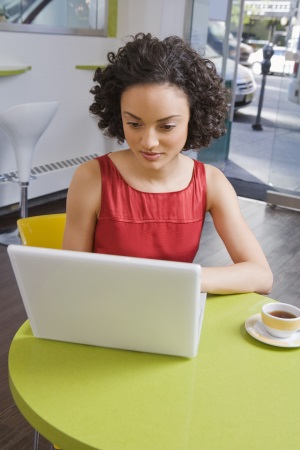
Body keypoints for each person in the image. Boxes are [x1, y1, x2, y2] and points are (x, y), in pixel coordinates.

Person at [63, 32, 273, 295]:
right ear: (119, 117)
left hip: (174, 314)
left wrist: (173, 281)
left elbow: (261, 275)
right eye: (134, 124)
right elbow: (71, 276)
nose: (148, 142)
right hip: (104, 315)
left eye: (167, 126)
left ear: (193, 119)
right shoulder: (91, 178)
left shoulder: (211, 182)